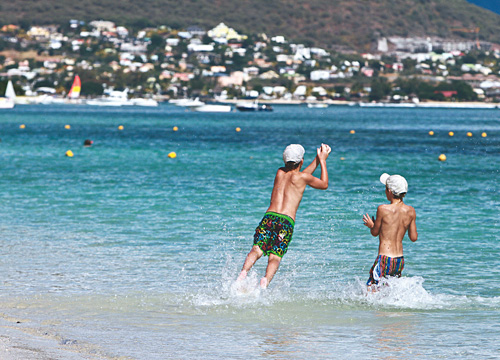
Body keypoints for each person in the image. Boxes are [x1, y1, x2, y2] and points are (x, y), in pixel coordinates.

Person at [237, 143, 331, 289]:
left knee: (257, 249)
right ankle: (265, 282)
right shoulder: (302, 178)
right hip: (286, 221)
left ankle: (243, 273)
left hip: (269, 217)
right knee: (275, 257)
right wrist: (323, 160)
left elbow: (301, 175)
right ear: (301, 161)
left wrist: (317, 159)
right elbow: (323, 184)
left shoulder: (279, 172)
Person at [363, 173, 418, 289]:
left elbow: (375, 232)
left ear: (389, 191)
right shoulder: (411, 211)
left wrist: (371, 225)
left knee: (371, 289)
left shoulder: (382, 209)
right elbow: (413, 238)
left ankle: (373, 308)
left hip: (385, 258)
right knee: (389, 289)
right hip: (399, 260)